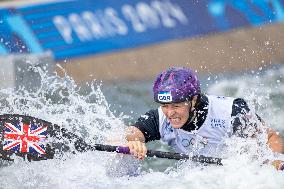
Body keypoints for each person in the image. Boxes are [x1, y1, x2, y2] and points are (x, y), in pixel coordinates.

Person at [124, 67, 284, 170]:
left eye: (176, 106)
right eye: (165, 106)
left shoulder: (231, 112)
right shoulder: (160, 116)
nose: (169, 113)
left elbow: (270, 137)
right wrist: (134, 142)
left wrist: (274, 162)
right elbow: (132, 131)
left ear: (193, 100)